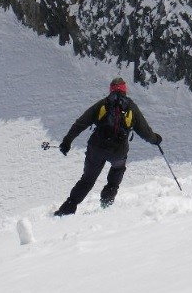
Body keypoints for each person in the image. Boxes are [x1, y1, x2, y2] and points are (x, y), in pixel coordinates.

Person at [54, 77, 162, 216]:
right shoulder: (131, 107)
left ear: (111, 89)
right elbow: (145, 132)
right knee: (118, 169)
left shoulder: (103, 104)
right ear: (125, 90)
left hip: (96, 148)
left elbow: (81, 123)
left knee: (87, 179)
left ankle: (68, 208)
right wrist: (156, 140)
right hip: (118, 151)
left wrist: (67, 141)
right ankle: (107, 201)